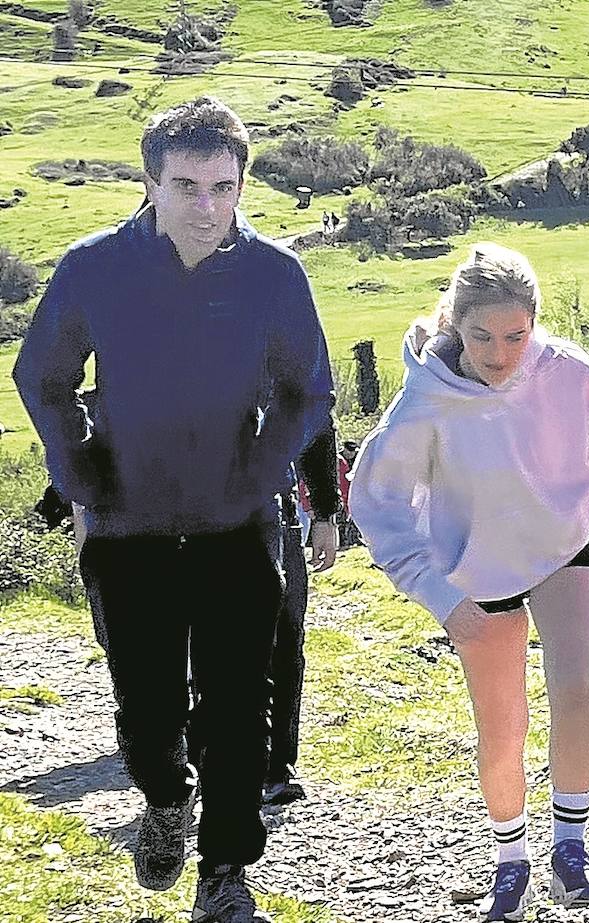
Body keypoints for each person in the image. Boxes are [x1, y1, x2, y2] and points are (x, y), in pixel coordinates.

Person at [13, 96, 333, 923]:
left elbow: (309, 390)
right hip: (129, 528)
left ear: (241, 186)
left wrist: (263, 467)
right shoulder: (94, 268)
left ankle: (226, 871)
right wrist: (81, 472)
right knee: (147, 705)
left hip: (237, 526)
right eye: (185, 186)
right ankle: (164, 794)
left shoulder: (273, 274)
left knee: (238, 704)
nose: (205, 207)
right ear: (150, 180)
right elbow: (41, 377)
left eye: (222, 188)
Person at [348, 243, 589, 922]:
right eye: (481, 336)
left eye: (516, 336)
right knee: (502, 724)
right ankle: (512, 860)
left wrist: (585, 487)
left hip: (567, 543)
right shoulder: (425, 399)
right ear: (455, 324)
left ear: (535, 325)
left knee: (574, 683)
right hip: (476, 569)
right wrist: (441, 597)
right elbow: (376, 504)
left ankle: (572, 850)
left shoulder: (567, 371)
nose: (500, 354)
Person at [262, 423, 342, 807]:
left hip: (276, 515)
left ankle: (278, 768)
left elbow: (312, 418)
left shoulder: (282, 360)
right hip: (194, 514)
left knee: (287, 645)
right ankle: (204, 758)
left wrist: (325, 513)